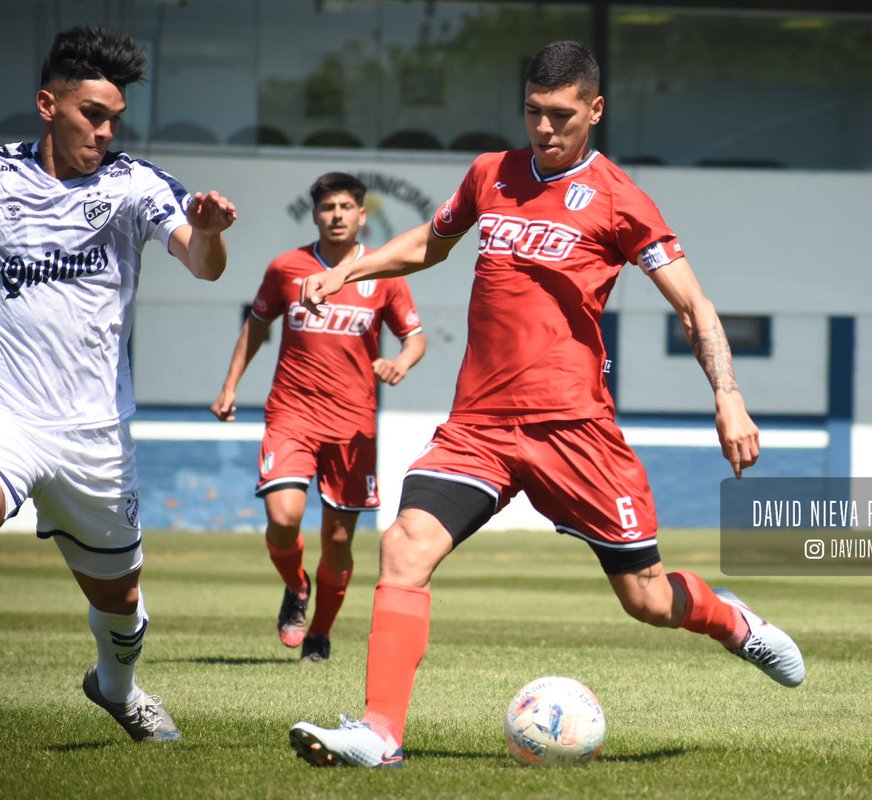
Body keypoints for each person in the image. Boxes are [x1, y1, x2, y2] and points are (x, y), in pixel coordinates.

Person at [288, 40, 803, 768]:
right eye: (533, 112)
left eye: (561, 115)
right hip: (479, 427)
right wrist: (351, 270)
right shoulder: (490, 174)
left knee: (648, 601)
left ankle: (730, 621)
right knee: (405, 547)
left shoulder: (621, 199)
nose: (545, 129)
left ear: (595, 109)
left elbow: (693, 304)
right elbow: (432, 245)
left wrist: (730, 397)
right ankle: (380, 732)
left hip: (575, 430)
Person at [0, 27, 237, 742]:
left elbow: (203, 265)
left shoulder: (135, 184)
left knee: (122, 602)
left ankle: (116, 686)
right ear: (48, 105)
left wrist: (212, 230)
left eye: (112, 120)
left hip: (96, 434)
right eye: (90, 116)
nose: (104, 132)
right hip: (11, 419)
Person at [211, 172, 426, 664]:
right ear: (315, 215)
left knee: (338, 540)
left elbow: (415, 338)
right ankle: (296, 585)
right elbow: (257, 326)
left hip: (353, 425)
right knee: (283, 518)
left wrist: (400, 363)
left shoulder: (381, 274)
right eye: (328, 207)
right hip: (292, 413)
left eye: (346, 207)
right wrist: (229, 386)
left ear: (361, 215)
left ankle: (320, 635)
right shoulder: (287, 268)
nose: (336, 215)